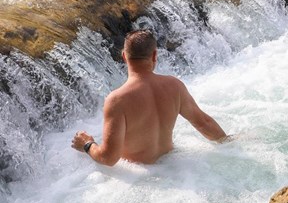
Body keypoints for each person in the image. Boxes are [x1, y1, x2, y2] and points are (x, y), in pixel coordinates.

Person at [71, 30, 227, 166]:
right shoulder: (175, 86)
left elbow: (108, 158)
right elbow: (204, 123)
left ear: (124, 56)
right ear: (154, 55)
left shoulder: (117, 99)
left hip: (141, 178)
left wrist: (87, 144)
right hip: (174, 167)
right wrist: (229, 144)